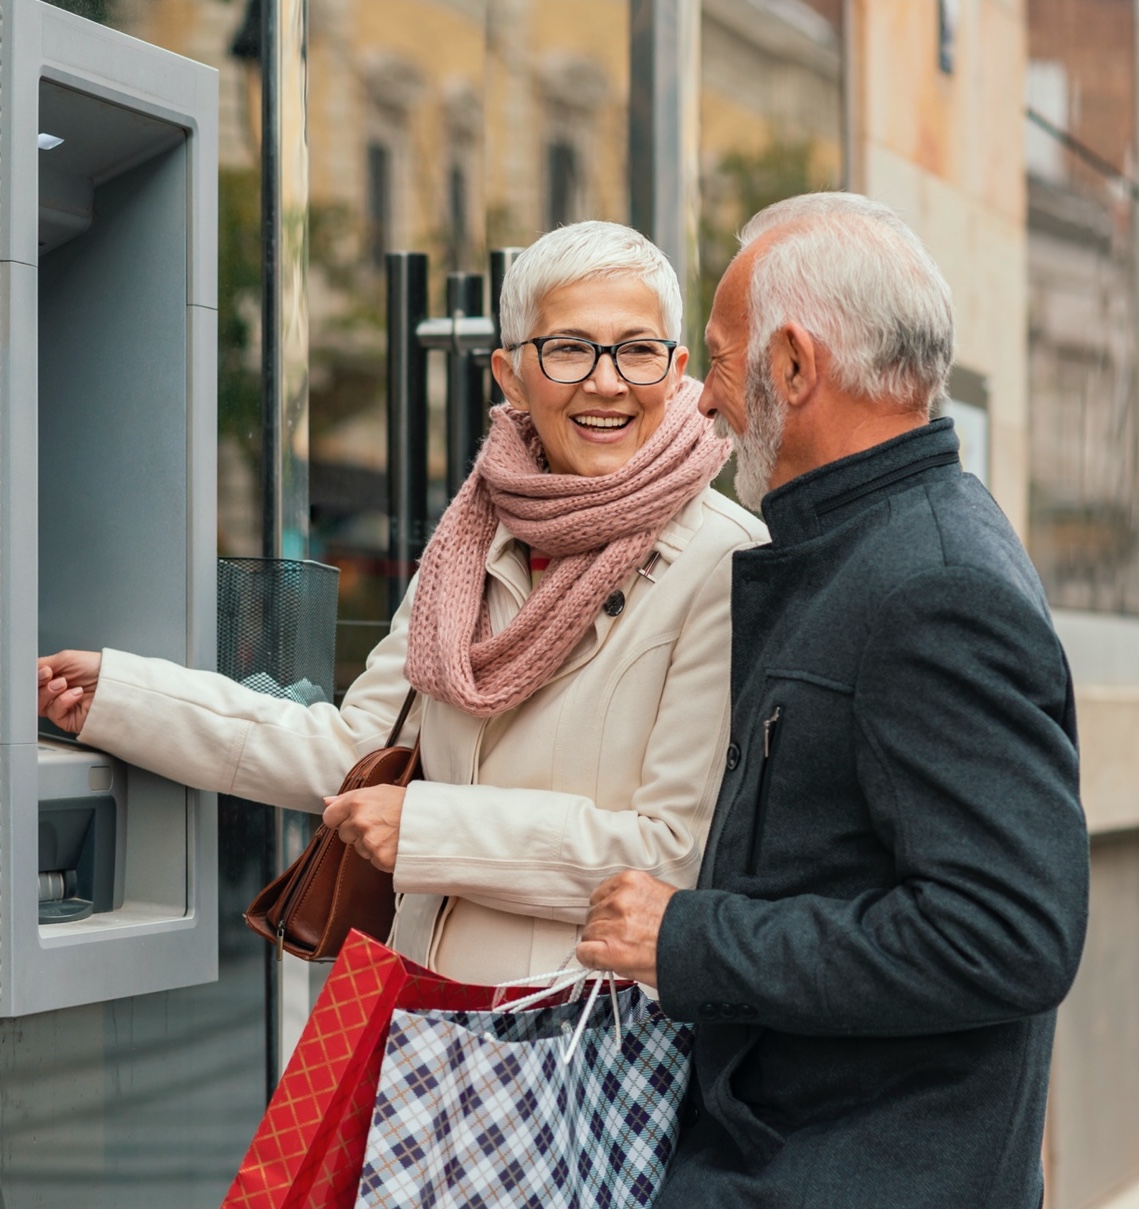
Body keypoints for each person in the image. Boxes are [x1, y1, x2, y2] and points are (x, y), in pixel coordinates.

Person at [38, 219, 766, 986]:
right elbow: (356, 748)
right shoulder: (471, 539)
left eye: (637, 350)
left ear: (678, 366)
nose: (607, 381)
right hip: (417, 1009)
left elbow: (668, 853)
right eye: (569, 348)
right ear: (510, 375)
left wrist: (427, 827)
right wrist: (123, 699)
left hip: (575, 1036)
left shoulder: (724, 559)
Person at [577, 193, 1089, 1208]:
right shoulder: (867, 548)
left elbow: (1008, 933)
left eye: (716, 359)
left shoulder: (930, 582)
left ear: (794, 367)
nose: (701, 401)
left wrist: (689, 940)